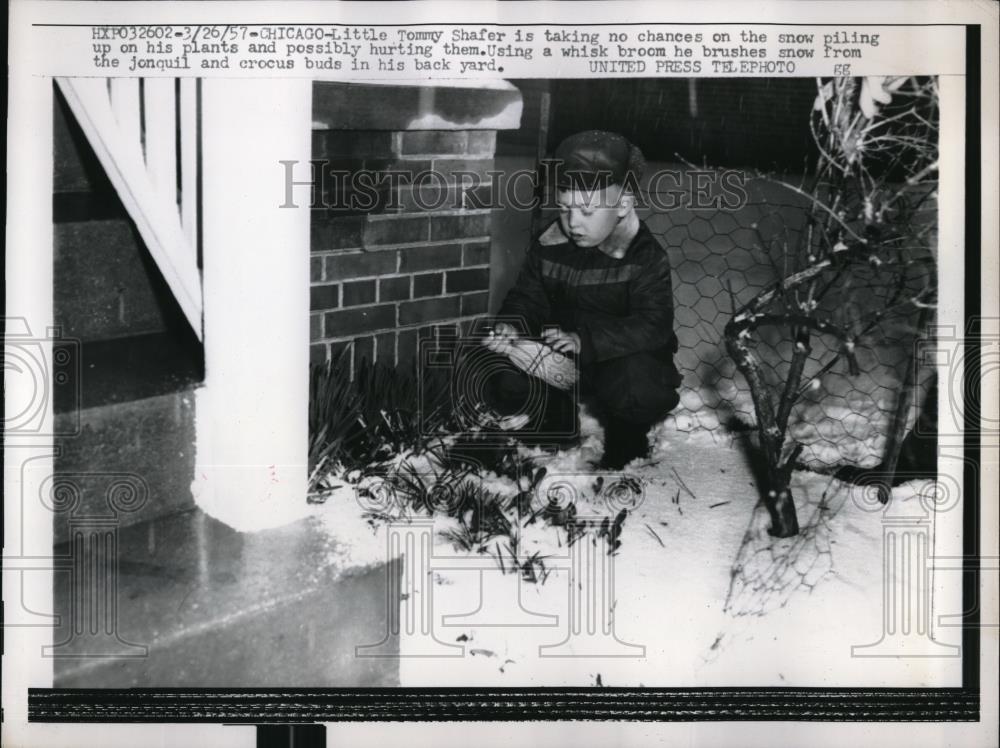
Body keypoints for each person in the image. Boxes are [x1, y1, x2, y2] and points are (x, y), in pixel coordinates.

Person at [475, 130, 682, 470]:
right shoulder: (549, 245)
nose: (572, 222)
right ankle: (553, 425)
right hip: (561, 358)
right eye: (565, 208)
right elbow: (528, 296)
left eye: (586, 212)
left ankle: (627, 443)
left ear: (623, 205)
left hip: (616, 359)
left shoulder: (643, 256)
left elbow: (653, 325)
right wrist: (511, 325)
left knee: (636, 377)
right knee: (498, 363)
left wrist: (586, 340)